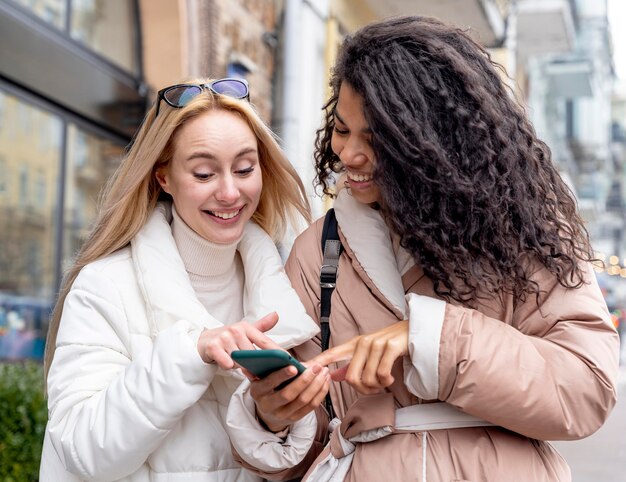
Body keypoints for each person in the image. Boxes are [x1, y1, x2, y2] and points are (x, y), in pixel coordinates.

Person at [225, 16, 621, 481]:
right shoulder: (318, 250)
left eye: (376, 139)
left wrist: (430, 339)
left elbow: (585, 391)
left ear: (433, 141)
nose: (349, 154)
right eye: (341, 129)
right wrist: (275, 415)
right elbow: (312, 439)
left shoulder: (523, 234)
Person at [39, 77, 324, 481]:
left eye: (245, 168)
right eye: (204, 174)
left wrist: (273, 420)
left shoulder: (289, 292)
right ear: (163, 178)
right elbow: (83, 452)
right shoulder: (104, 286)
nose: (230, 192)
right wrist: (191, 352)